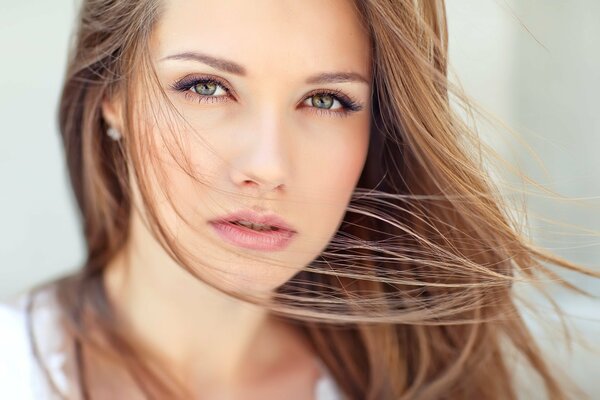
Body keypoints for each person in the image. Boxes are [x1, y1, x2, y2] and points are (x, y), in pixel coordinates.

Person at [0, 0, 598, 399]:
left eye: (327, 101)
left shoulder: (420, 379)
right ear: (112, 97)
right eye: (206, 87)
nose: (267, 165)